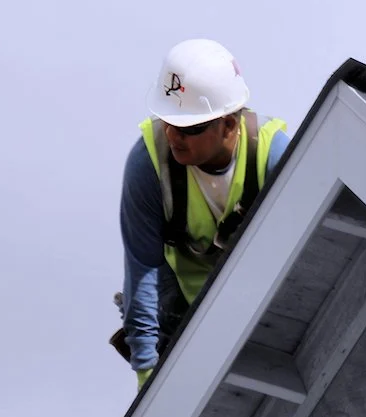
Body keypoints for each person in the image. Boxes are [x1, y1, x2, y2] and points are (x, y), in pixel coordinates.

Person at [114, 39, 289, 384]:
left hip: (252, 299)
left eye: (190, 128)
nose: (174, 136)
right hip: (179, 302)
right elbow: (141, 270)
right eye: (168, 122)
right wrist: (147, 373)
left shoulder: (271, 157)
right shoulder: (149, 162)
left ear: (229, 124)